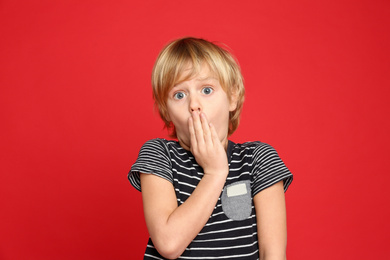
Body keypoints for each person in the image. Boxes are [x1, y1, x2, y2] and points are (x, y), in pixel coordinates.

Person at [128, 37, 293, 260]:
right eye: (179, 95)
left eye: (206, 90)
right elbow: (168, 243)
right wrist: (215, 172)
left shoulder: (258, 159)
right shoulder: (159, 155)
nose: (194, 104)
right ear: (166, 111)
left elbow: (272, 254)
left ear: (232, 97)